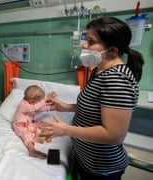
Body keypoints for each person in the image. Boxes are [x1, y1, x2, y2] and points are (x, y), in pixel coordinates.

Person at [40, 17, 144, 180]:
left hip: (101, 168)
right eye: (85, 39)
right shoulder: (99, 71)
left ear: (112, 51)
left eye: (91, 41)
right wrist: (66, 107)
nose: (84, 45)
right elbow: (95, 105)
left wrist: (66, 130)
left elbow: (114, 135)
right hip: (86, 159)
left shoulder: (117, 79)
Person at [13, 85, 55, 159]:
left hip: (29, 124)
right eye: (39, 101)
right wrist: (46, 100)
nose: (39, 103)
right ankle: (32, 150)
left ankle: (39, 137)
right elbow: (35, 107)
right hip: (20, 126)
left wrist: (50, 107)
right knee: (26, 135)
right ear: (32, 101)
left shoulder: (31, 104)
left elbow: (39, 108)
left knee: (41, 124)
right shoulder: (24, 105)